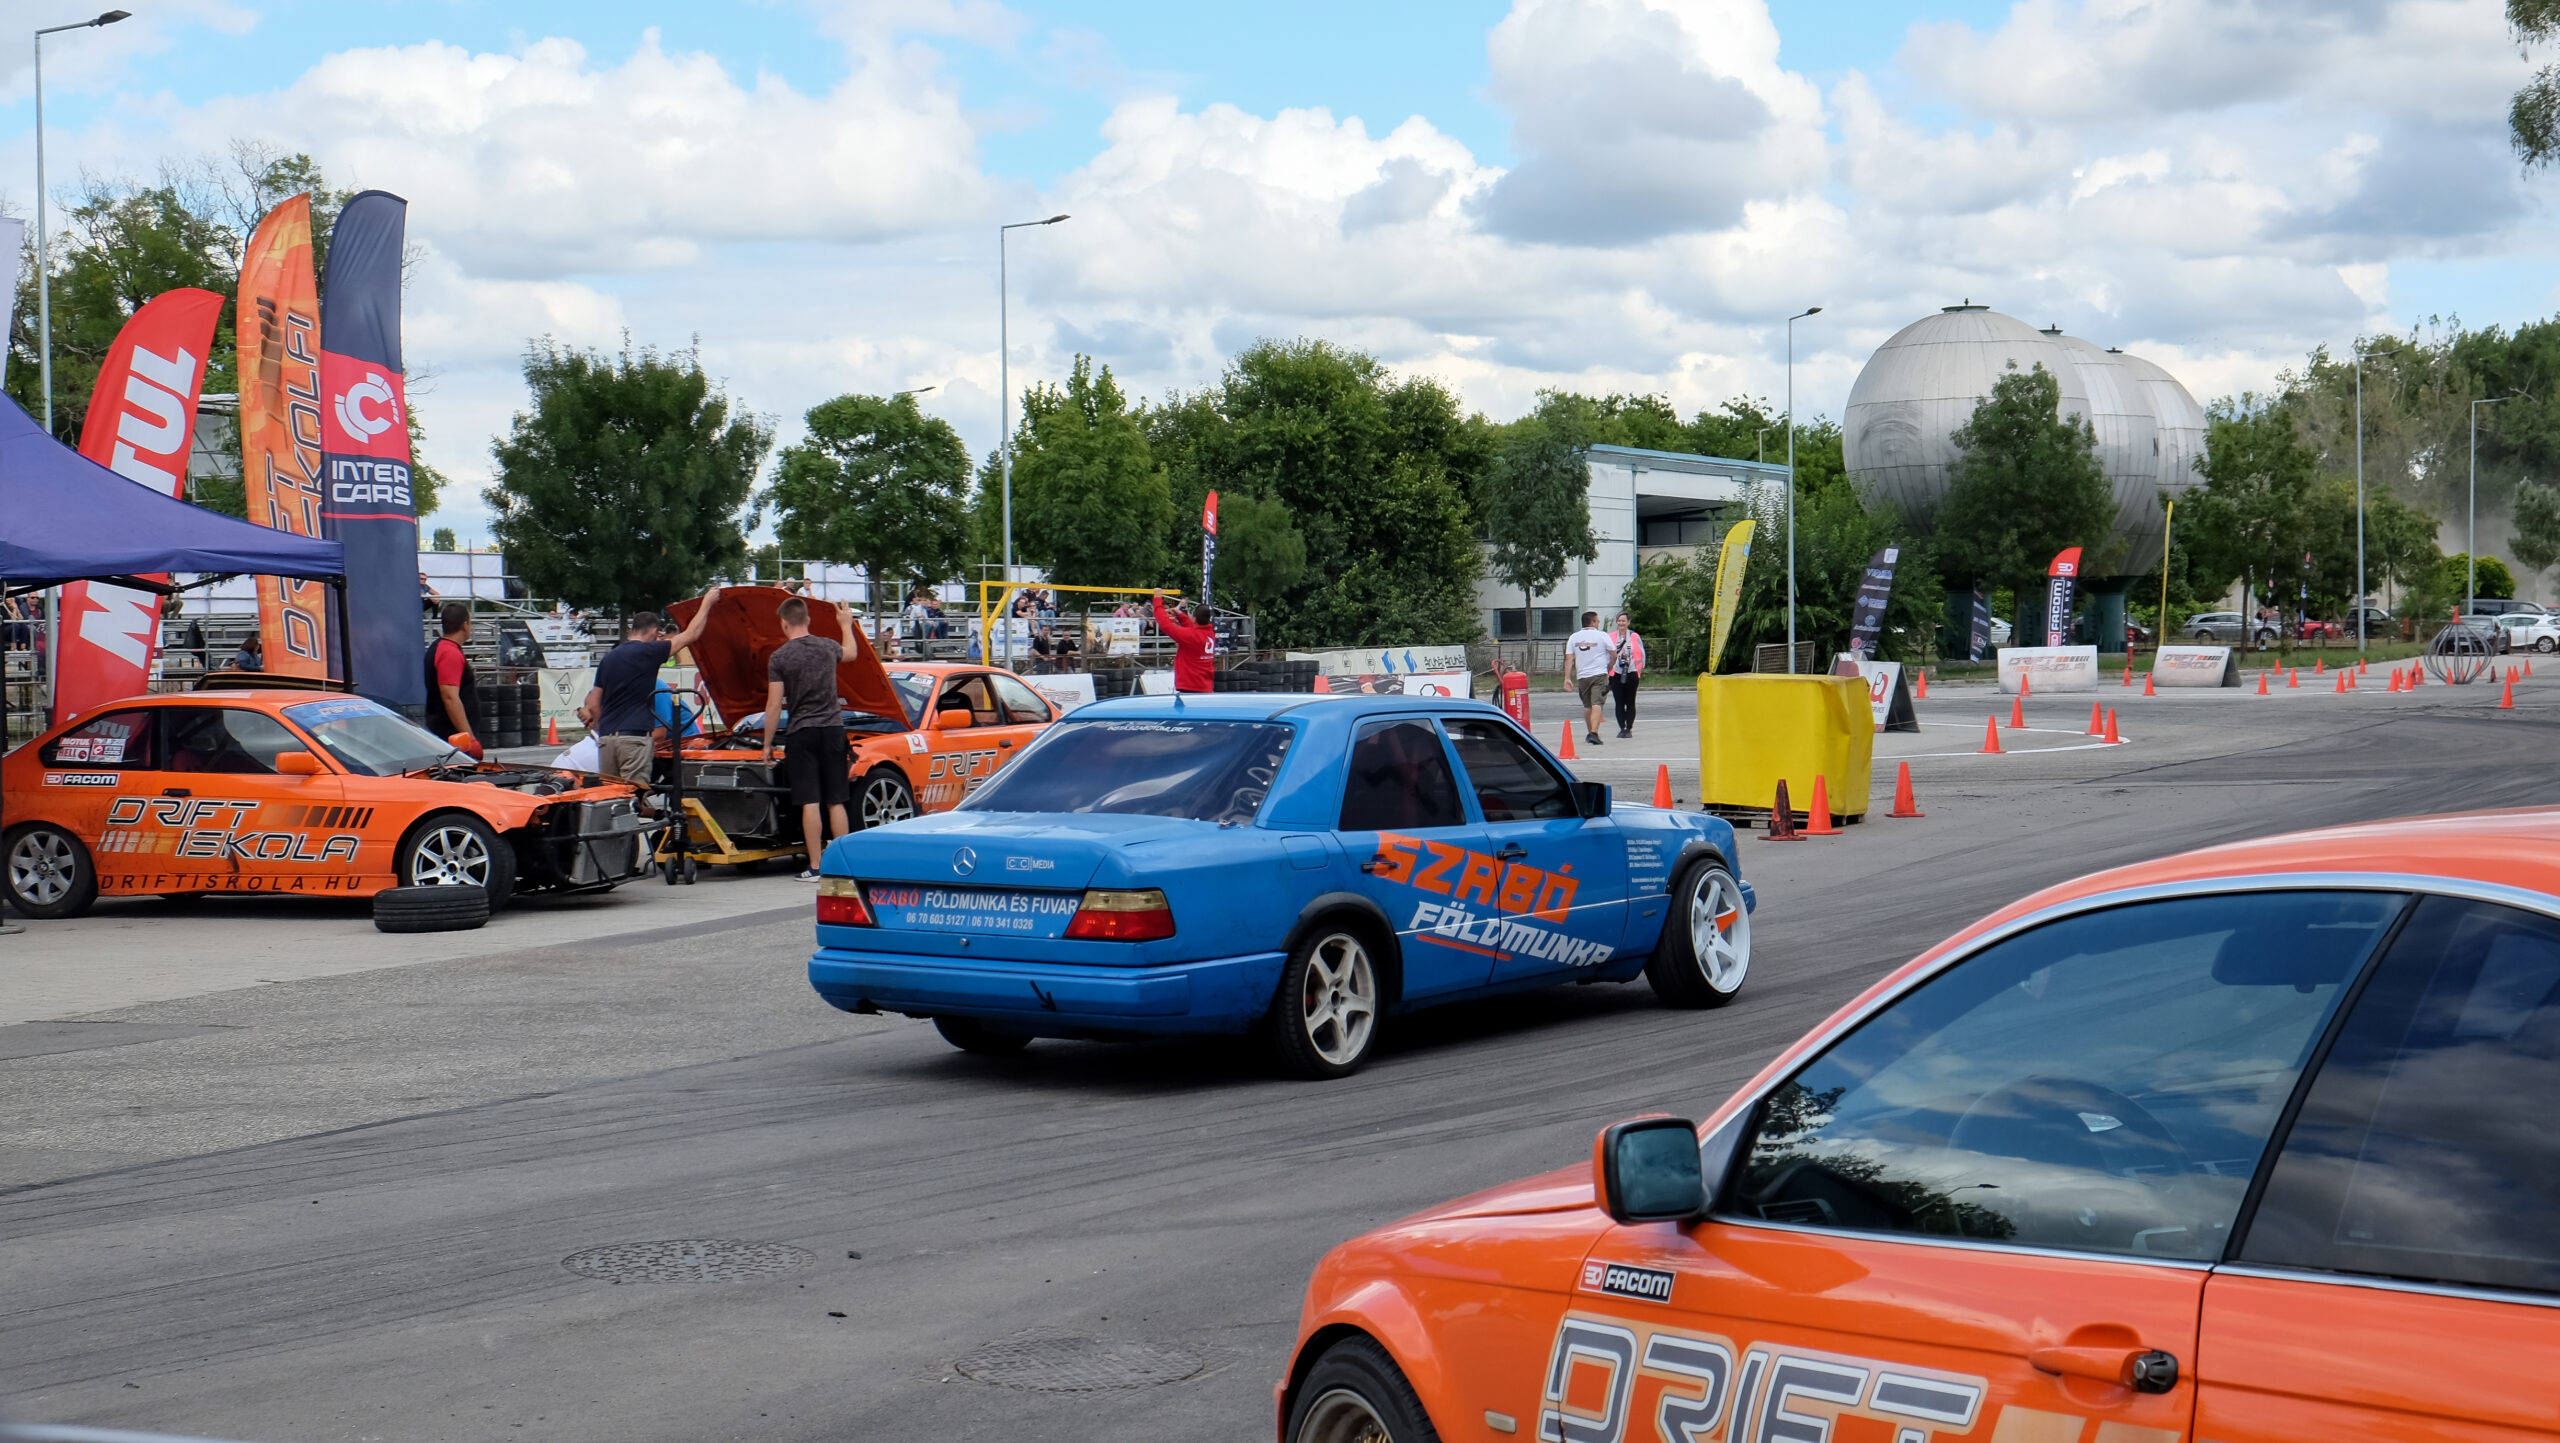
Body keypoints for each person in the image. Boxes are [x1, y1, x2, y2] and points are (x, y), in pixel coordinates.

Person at [584, 588, 722, 798]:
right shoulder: (648, 652)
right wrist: (708, 602)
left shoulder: (608, 658)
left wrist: (604, 729)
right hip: (634, 739)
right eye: (658, 636)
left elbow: (594, 703)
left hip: (606, 741)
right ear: (654, 632)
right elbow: (692, 634)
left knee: (610, 800)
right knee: (634, 798)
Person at [759, 594, 856, 879]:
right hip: (833, 729)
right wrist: (845, 624)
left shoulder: (779, 657)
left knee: (810, 801)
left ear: (783, 623)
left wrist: (767, 743)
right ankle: (843, 866)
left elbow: (774, 705)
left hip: (801, 733)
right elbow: (851, 654)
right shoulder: (827, 646)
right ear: (808, 620)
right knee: (836, 799)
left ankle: (815, 866)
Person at [423, 602, 482, 756]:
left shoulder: (442, 648)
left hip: (450, 735)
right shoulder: (449, 652)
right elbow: (450, 697)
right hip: (454, 738)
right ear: (465, 625)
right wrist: (469, 739)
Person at [1151, 590, 1216, 693]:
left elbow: (1165, 624)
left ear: (1194, 618)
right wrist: (1181, 616)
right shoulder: (1210, 633)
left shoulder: (1191, 636)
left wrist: (1157, 601)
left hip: (1190, 688)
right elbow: (1193, 629)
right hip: (1205, 687)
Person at [1566, 610, 1614, 748]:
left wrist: (1567, 678)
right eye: (1597, 621)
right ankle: (1594, 732)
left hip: (1582, 676)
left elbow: (1569, 658)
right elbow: (1614, 654)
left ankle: (1591, 733)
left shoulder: (1574, 637)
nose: (1598, 623)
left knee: (1587, 706)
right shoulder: (1602, 635)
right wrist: (1609, 666)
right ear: (1592, 622)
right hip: (1599, 674)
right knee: (1597, 703)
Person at [1606, 612, 1646, 739]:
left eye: (1624, 621)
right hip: (1616, 673)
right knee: (1619, 702)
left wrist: (1638, 670)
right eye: (1619, 620)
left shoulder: (1634, 636)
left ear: (1628, 622)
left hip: (1631, 672)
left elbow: (1641, 654)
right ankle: (1621, 727)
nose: (1621, 623)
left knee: (1630, 701)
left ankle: (1628, 728)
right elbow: (1606, 654)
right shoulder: (1611, 636)